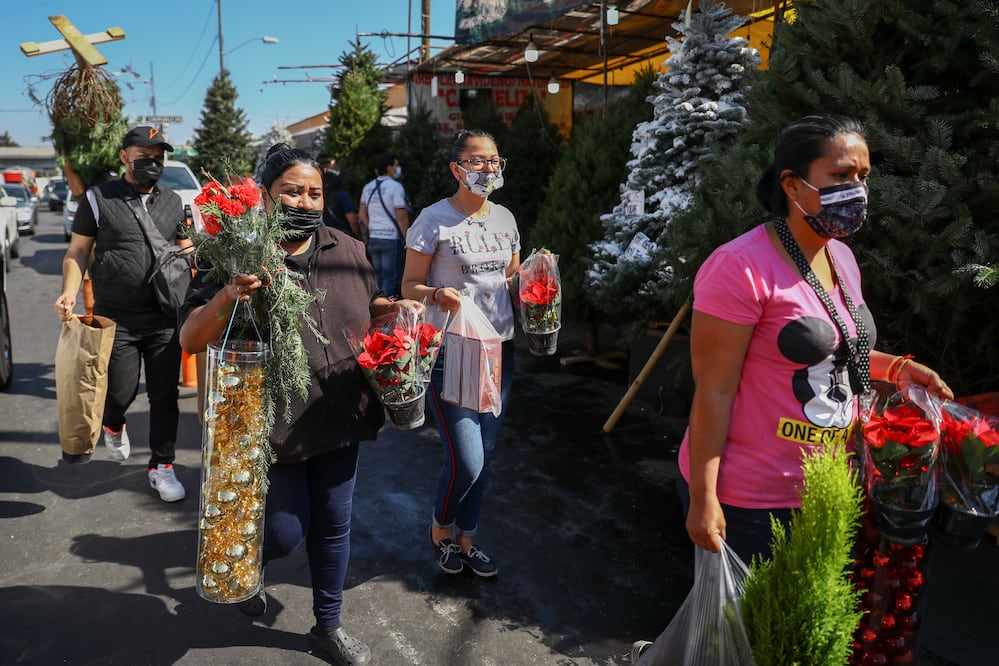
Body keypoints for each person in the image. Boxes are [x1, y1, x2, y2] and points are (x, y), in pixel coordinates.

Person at [677, 114, 954, 565]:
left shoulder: (841, 257)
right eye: (841, 175)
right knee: (739, 632)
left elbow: (838, 349)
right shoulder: (739, 267)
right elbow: (714, 390)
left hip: (827, 482)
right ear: (792, 185)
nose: (858, 189)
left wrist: (900, 369)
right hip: (751, 497)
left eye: (863, 176)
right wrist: (703, 497)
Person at [179, 143, 417, 665]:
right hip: (269, 428)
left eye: (314, 192)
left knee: (334, 524)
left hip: (340, 416)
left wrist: (392, 310)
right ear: (265, 195)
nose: (305, 201)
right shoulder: (235, 254)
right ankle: (248, 562)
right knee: (285, 534)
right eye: (292, 190)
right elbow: (191, 339)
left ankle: (327, 626)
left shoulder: (347, 249)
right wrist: (226, 297)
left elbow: (367, 302)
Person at [402, 129, 520, 577]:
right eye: (477, 161)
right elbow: (408, 285)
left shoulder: (506, 219)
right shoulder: (434, 220)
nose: (487, 169)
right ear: (456, 168)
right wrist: (436, 293)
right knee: (467, 458)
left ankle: (468, 538)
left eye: (493, 161)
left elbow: (510, 278)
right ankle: (441, 530)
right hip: (451, 350)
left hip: (498, 352)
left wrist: (536, 288)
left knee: (485, 455)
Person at [54, 125, 191, 503]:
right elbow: (78, 252)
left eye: (158, 154)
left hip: (165, 316)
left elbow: (187, 249)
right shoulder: (99, 199)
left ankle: (162, 466)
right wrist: (68, 292)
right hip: (117, 319)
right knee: (120, 391)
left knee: (165, 396)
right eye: (144, 154)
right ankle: (113, 423)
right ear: (124, 156)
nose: (152, 161)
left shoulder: (175, 202)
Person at [358, 152, 408, 296]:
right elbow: (401, 217)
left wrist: (372, 228)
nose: (398, 168)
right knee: (389, 280)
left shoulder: (367, 187)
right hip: (391, 239)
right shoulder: (395, 187)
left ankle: (377, 312)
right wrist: (407, 238)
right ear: (389, 167)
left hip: (374, 238)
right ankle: (388, 315)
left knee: (378, 280)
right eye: (396, 165)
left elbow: (361, 214)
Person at [322, 168, 362, 240]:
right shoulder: (343, 196)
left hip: (325, 237)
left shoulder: (320, 197)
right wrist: (359, 238)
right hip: (343, 238)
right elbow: (353, 222)